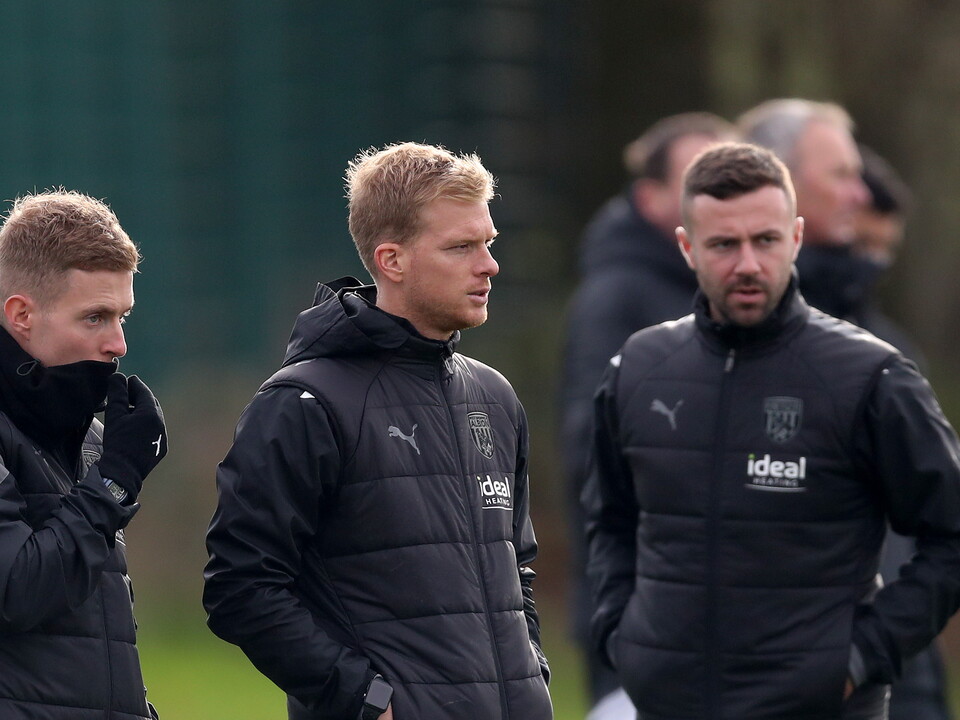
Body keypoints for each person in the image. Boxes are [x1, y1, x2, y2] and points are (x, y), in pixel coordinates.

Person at [583, 143, 960, 720]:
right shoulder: (639, 368)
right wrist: (624, 638)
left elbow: (950, 534)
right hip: (669, 703)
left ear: (797, 237)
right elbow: (609, 520)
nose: (748, 265)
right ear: (687, 247)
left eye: (766, 240)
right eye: (723, 245)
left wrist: (861, 657)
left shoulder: (869, 376)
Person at [203, 142, 553, 720]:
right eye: (461, 246)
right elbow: (240, 587)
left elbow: (517, 567)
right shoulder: (303, 403)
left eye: (488, 242)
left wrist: (530, 671)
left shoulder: (494, 397)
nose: (488, 264)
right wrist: (366, 699)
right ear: (392, 260)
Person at [744, 100, 952, 719]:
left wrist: (873, 649)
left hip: (888, 679)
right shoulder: (695, 345)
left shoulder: (881, 347)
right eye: (839, 174)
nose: (860, 192)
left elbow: (943, 528)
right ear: (778, 178)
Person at [559, 112, 735, 718]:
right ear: (650, 197)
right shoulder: (617, 297)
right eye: (699, 177)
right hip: (640, 614)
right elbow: (590, 452)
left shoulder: (731, 291)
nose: (718, 193)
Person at [0, 190, 168, 718]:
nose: (118, 343)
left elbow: (89, 636)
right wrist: (116, 481)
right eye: (95, 317)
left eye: (123, 317)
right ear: (22, 315)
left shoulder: (88, 436)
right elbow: (16, 591)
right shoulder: (105, 462)